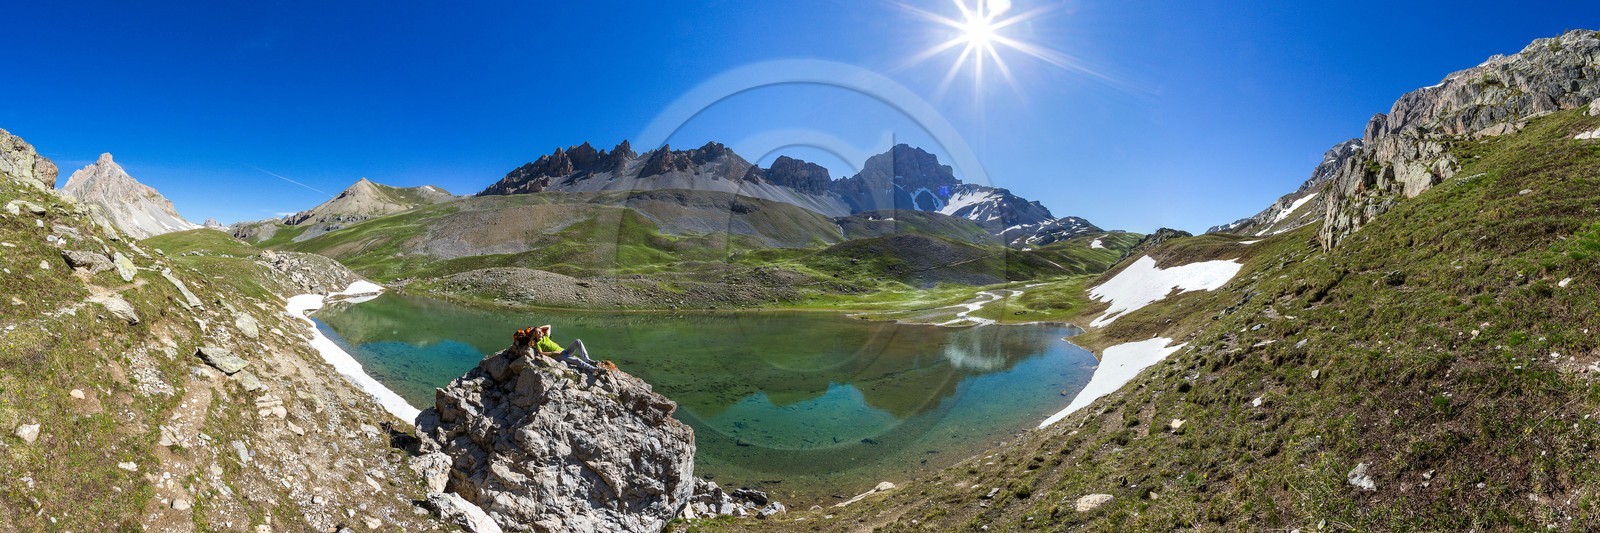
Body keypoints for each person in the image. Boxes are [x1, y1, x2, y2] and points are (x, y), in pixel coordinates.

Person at [530, 324, 601, 372]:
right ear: (535, 335)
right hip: (558, 356)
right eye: (537, 332)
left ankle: (587, 360)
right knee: (577, 360)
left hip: (564, 351)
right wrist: (553, 353)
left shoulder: (546, 337)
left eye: (540, 332)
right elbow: (541, 353)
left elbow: (549, 326)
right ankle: (593, 369)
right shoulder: (538, 344)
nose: (540, 333)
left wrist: (538, 328)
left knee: (577, 341)